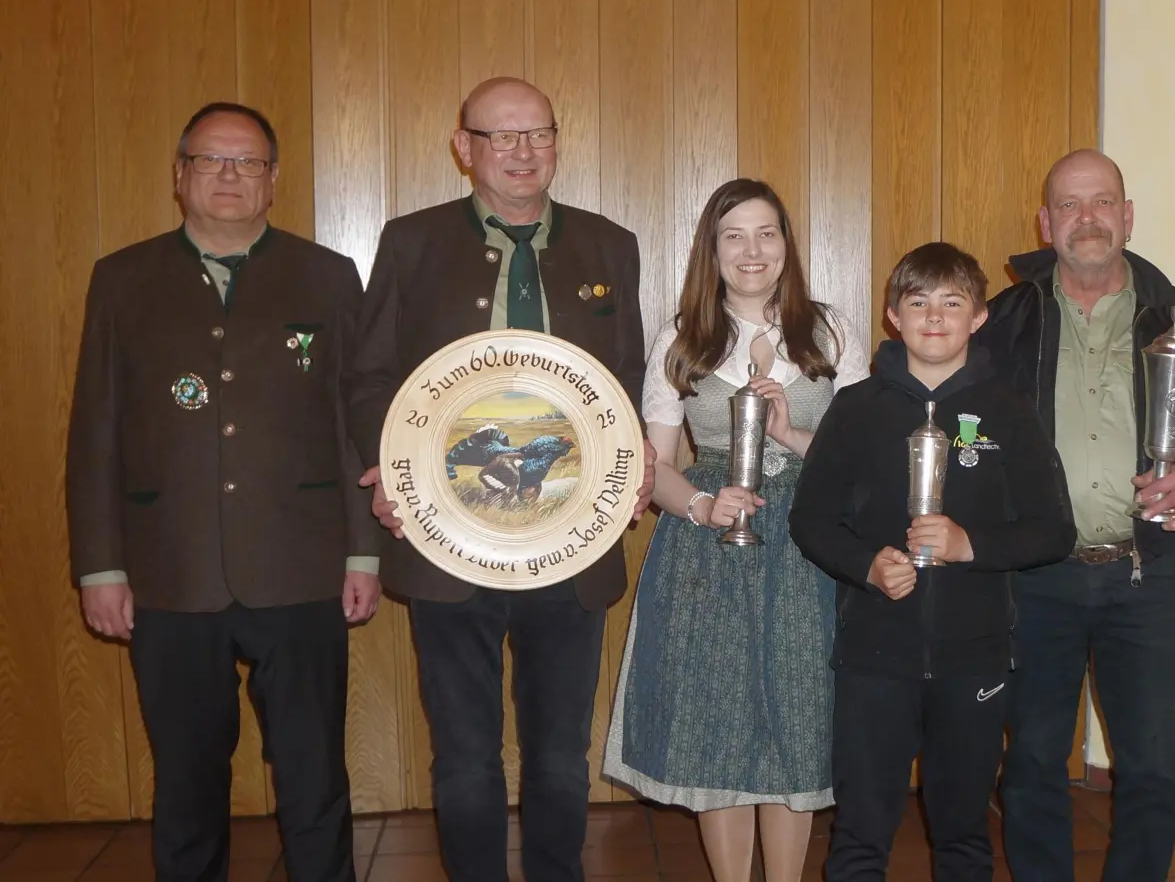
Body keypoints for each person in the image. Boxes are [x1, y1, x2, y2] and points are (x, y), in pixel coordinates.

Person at [345, 77, 654, 882]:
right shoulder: (411, 242)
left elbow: (624, 379)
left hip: (573, 542)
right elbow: (373, 376)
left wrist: (634, 463)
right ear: (464, 148)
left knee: (559, 754)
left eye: (537, 134)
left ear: (557, 140)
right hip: (448, 543)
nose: (522, 152)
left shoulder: (609, 245)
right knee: (466, 755)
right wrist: (392, 473)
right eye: (500, 137)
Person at [67, 101, 378, 882]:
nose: (230, 175)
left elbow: (352, 424)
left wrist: (361, 552)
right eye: (211, 160)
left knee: (313, 777)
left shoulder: (327, 275)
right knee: (187, 782)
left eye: (248, 162)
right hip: (169, 572)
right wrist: (100, 567)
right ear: (180, 176)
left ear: (274, 180)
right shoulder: (122, 278)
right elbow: (96, 431)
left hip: (300, 567)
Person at [979, 148, 1175, 882]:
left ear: (1127, 216)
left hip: (1142, 577)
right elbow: (971, 426)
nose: (1086, 218)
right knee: (1029, 762)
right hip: (1036, 579)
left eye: (1101, 202)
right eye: (1069, 204)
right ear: (1046, 221)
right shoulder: (1006, 318)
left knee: (1151, 765)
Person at [602, 178, 868, 882]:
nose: (753, 250)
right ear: (711, 251)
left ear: (787, 244)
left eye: (767, 233)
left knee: (799, 720)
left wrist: (792, 432)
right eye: (735, 236)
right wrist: (697, 503)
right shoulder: (683, 337)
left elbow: (858, 455)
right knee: (717, 720)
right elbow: (651, 464)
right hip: (708, 547)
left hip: (809, 544)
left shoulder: (831, 328)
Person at [789, 241, 1076, 881]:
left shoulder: (1010, 410)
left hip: (973, 655)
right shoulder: (856, 409)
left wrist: (972, 546)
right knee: (860, 833)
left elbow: (1054, 530)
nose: (935, 317)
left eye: (953, 303)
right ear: (894, 315)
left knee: (964, 833)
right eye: (918, 302)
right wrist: (866, 565)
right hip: (873, 656)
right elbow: (810, 520)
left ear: (979, 317)